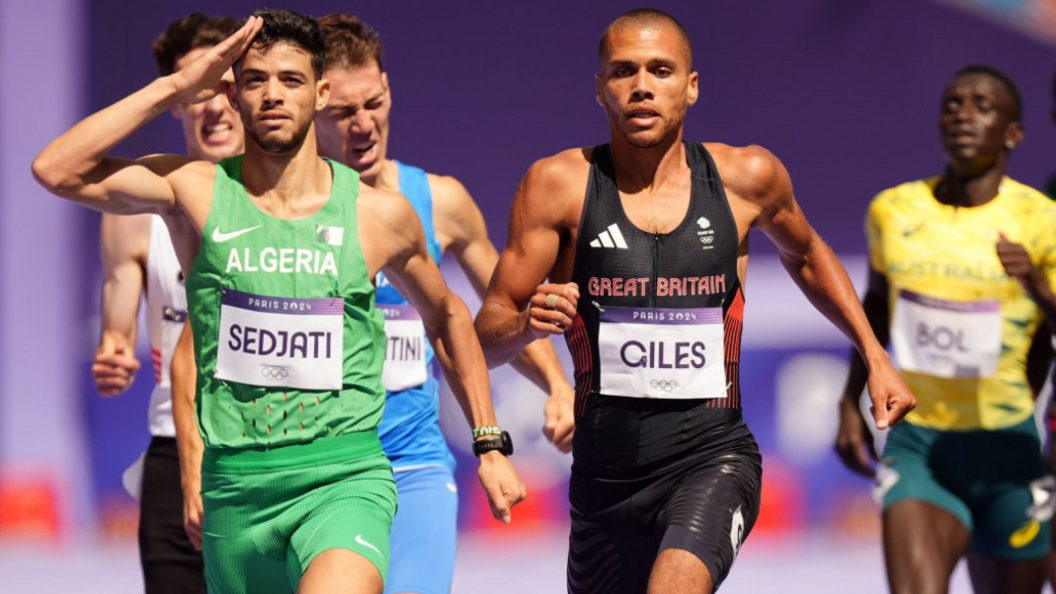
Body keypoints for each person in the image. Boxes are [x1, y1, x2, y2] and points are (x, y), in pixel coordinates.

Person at [32, 9, 525, 594]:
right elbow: (55, 169)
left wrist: (488, 443)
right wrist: (172, 89)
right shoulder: (195, 189)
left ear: (320, 94)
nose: (271, 94)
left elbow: (447, 317)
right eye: (255, 80)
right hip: (236, 491)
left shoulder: (379, 216)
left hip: (344, 479)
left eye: (290, 80)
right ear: (233, 95)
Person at [474, 8, 915, 594]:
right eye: (623, 72)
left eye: (660, 70)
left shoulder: (746, 177)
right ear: (599, 89)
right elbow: (484, 335)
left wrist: (875, 355)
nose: (641, 86)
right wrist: (528, 325)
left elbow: (807, 254)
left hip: (714, 459)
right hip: (603, 480)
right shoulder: (557, 186)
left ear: (692, 86)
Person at [313, 14, 574, 594]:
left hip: (413, 463)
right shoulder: (286, 210)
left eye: (374, 103)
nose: (364, 124)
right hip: (317, 472)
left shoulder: (440, 201)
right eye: (343, 113)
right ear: (310, 108)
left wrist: (559, 388)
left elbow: (503, 313)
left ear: (390, 89)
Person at [835, 65, 1056, 594]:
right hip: (920, 447)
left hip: (1009, 451)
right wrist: (850, 401)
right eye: (953, 103)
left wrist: (1035, 286)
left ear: (1013, 133)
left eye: (982, 105)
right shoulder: (894, 210)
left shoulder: (1042, 219)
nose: (963, 114)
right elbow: (877, 308)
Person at [89, 13, 240, 594]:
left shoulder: (288, 199)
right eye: (194, 91)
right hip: (173, 454)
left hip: (265, 455)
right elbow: (117, 335)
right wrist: (114, 351)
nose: (213, 105)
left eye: (224, 87)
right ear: (176, 104)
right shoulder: (133, 218)